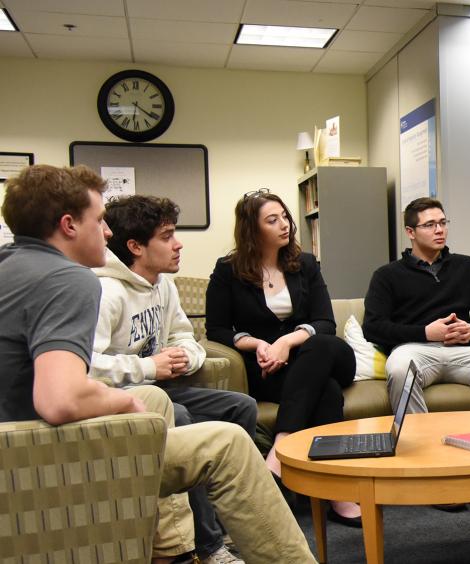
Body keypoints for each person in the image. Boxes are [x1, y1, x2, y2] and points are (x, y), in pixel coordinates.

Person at [0, 164, 316, 564]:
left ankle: (175, 553)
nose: (109, 232)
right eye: (99, 221)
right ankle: (232, 551)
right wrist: (121, 402)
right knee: (227, 443)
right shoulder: (71, 280)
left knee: (154, 399)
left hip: (14, 436)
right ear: (68, 225)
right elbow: (59, 399)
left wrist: (141, 392)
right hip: (41, 451)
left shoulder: (9, 266)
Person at [93, 195, 258, 564]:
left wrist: (187, 356)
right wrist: (150, 367)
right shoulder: (106, 292)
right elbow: (87, 365)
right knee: (180, 418)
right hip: (120, 398)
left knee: (240, 408)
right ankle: (208, 547)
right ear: (136, 246)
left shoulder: (162, 284)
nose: (178, 244)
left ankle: (220, 522)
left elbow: (185, 335)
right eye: (167, 236)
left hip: (159, 385)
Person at [362, 197, 470, 515]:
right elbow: (375, 327)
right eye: (430, 225)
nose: (439, 230)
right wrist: (425, 333)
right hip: (417, 349)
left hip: (463, 351)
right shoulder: (387, 275)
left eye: (443, 223)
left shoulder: (466, 266)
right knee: (399, 370)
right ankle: (434, 474)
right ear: (411, 232)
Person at [205, 189, 360, 526]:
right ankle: (335, 489)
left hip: (321, 354)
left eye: (285, 217)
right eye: (272, 220)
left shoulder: (304, 264)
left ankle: (279, 450)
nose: (284, 225)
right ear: (252, 229)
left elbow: (324, 322)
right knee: (328, 392)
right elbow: (216, 329)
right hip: (271, 370)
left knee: (320, 346)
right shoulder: (227, 270)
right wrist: (257, 344)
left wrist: (287, 342)